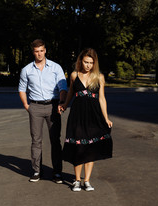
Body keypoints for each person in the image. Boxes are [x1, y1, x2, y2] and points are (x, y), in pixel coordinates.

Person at [58, 48, 113, 192]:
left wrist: (106, 117)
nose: (88, 65)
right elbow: (70, 92)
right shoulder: (74, 75)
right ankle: (77, 180)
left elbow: (102, 98)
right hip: (77, 114)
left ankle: (86, 181)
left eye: (91, 63)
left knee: (91, 147)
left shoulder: (99, 77)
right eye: (86, 62)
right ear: (80, 61)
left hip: (94, 115)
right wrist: (64, 105)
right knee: (78, 146)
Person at [19, 39, 68, 183]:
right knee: (36, 140)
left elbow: (63, 87)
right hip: (35, 106)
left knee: (55, 140)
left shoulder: (55, 67)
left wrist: (61, 102)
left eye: (41, 50)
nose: (39, 54)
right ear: (33, 52)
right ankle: (36, 171)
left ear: (45, 50)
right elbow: (22, 89)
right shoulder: (27, 70)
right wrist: (26, 106)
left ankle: (57, 172)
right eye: (36, 51)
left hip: (53, 106)